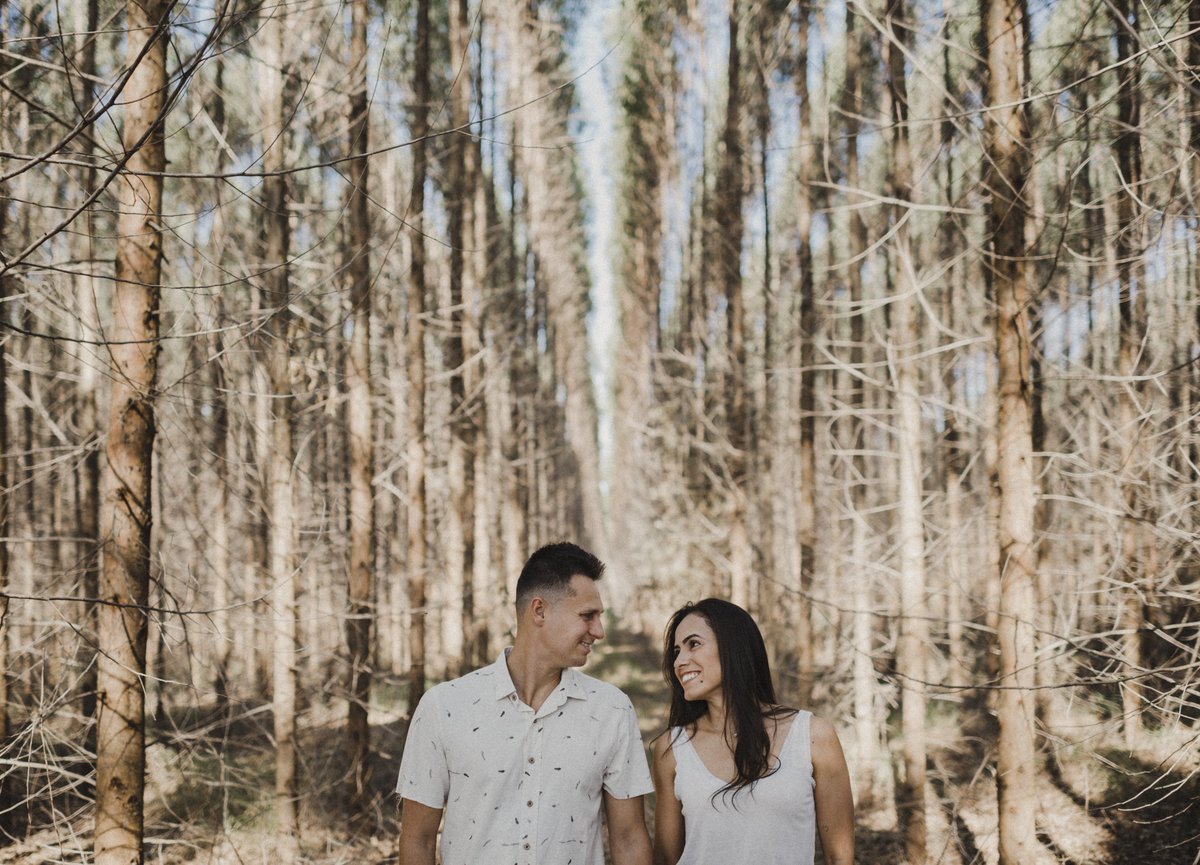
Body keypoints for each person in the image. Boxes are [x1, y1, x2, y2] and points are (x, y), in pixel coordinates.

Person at [396, 542, 654, 865]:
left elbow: (630, 841)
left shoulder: (613, 712)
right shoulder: (443, 708)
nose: (599, 631)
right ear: (539, 611)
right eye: (588, 616)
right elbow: (417, 841)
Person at [650, 598, 855, 865]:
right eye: (676, 651)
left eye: (694, 644)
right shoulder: (673, 748)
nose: (679, 661)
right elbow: (665, 858)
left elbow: (839, 857)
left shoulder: (813, 735)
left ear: (733, 646)